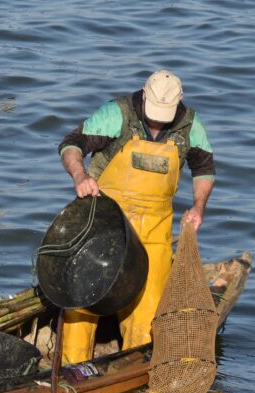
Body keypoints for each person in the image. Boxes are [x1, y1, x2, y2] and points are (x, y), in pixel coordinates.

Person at [57, 70, 215, 364]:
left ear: (179, 102)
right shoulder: (117, 114)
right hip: (104, 224)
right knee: (81, 304)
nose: (157, 121)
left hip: (154, 232)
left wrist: (198, 206)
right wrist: (80, 176)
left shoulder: (191, 125)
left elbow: (204, 169)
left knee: (147, 312)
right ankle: (72, 368)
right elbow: (71, 144)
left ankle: (130, 369)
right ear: (144, 94)